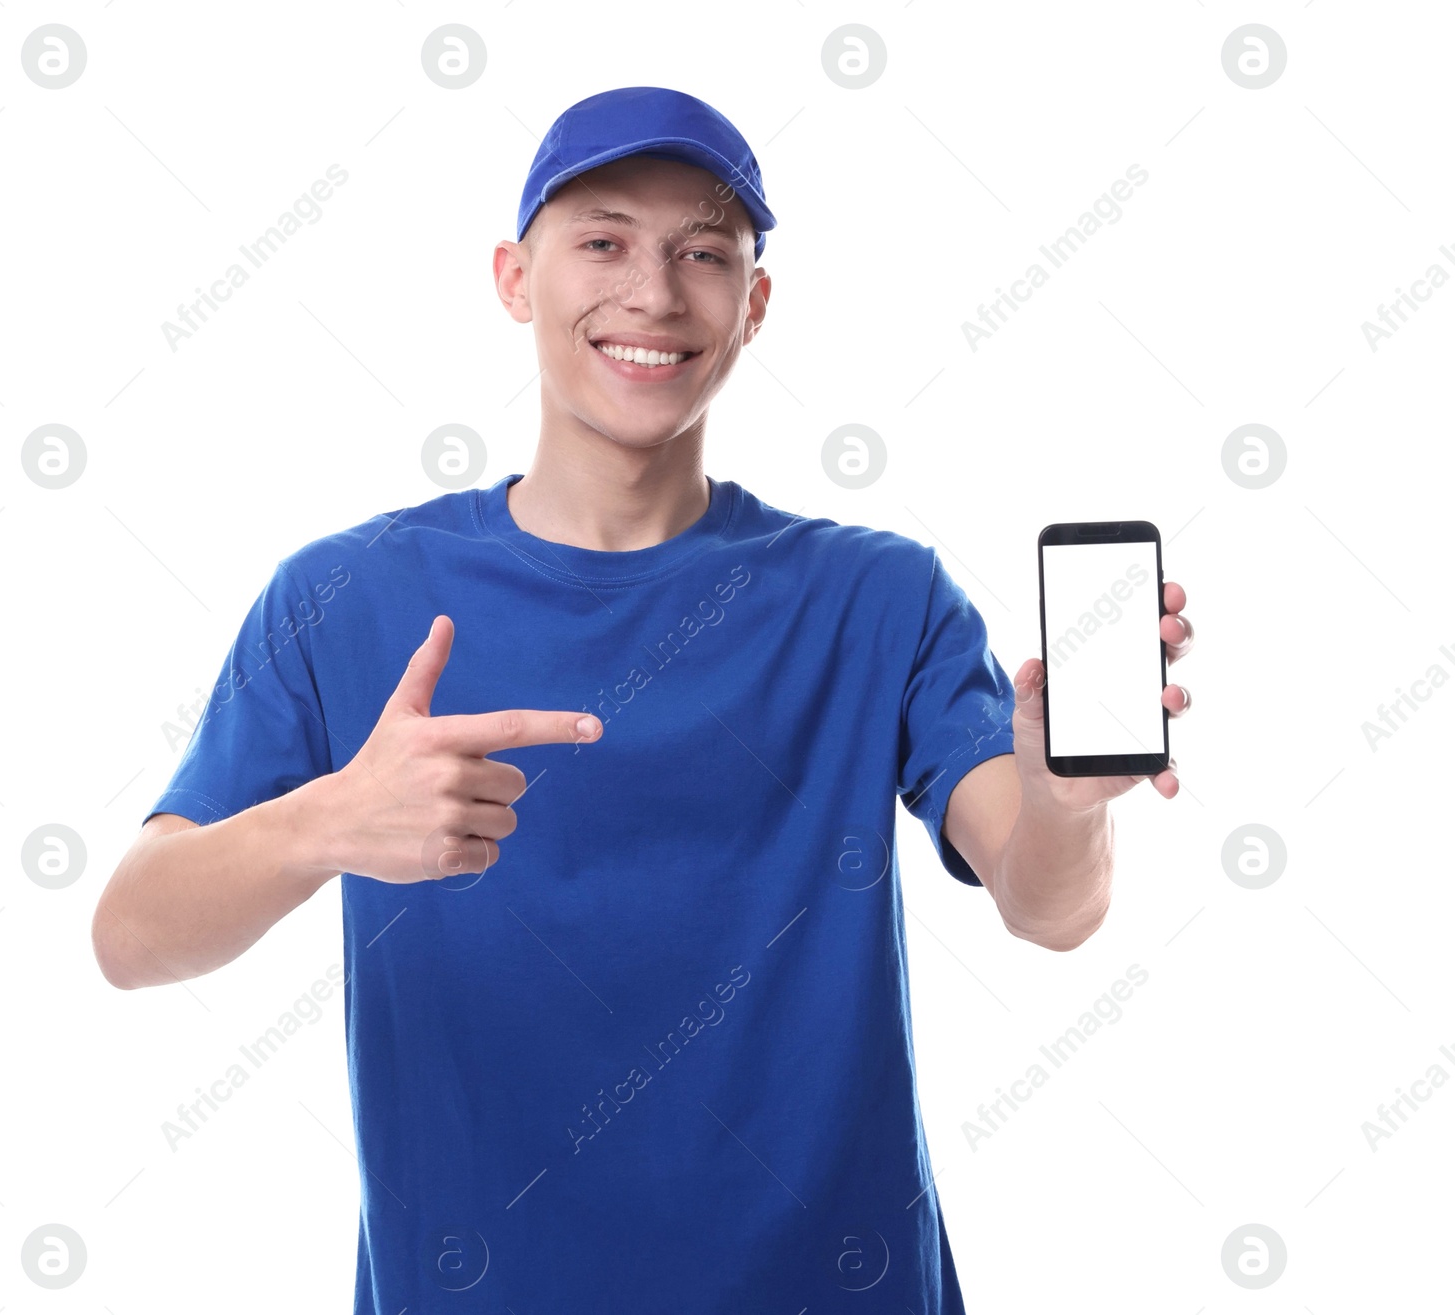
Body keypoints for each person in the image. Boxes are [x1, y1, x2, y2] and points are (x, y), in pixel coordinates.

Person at [92, 85, 1194, 1314]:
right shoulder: (346, 595)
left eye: (704, 254)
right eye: (603, 241)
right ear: (515, 277)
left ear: (753, 304)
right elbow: (130, 936)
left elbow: (1050, 906)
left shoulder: (876, 598)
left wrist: (1068, 799)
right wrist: (325, 824)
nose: (655, 295)